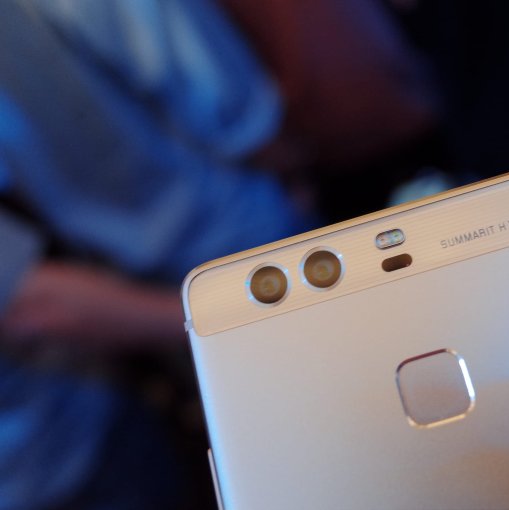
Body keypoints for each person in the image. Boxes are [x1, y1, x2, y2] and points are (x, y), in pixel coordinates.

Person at [0, 0, 437, 507]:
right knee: (377, 430)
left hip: (137, 283)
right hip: (246, 243)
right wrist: (292, 163)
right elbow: (219, 97)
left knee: (303, 461)